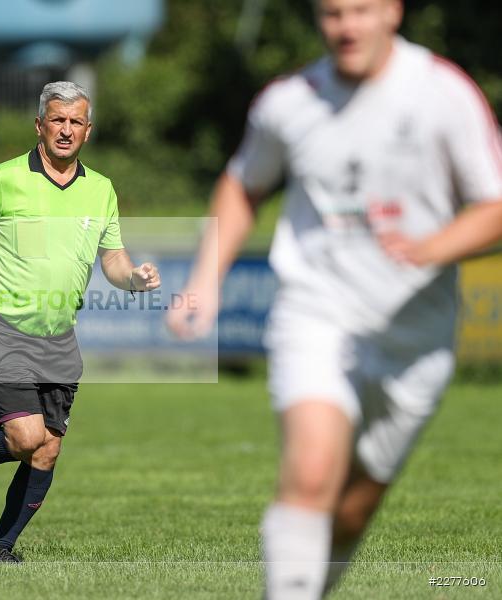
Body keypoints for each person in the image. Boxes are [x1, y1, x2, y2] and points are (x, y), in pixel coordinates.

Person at [167, 0, 502, 597]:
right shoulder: (288, 101)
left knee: (349, 514)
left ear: (393, 12)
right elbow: (244, 184)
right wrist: (204, 281)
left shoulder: (444, 94)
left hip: (414, 337)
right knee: (312, 467)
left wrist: (432, 248)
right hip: (316, 310)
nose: (346, 26)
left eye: (360, 10)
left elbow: (494, 207)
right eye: (331, 13)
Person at [0, 81, 161, 563]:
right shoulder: (3, 178)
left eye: (75, 121)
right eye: (57, 119)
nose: (65, 129)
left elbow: (113, 259)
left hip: (59, 336)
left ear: (87, 131)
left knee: (46, 451)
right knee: (25, 437)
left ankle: (1, 549)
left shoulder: (101, 190)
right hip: (1, 327)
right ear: (40, 124)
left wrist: (134, 279)